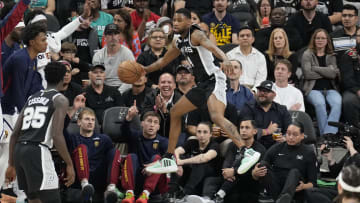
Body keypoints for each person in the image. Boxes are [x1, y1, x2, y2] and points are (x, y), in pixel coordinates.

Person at [144, 8, 248, 174]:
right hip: (201, 84)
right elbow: (162, 61)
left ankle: (245, 150)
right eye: (174, 20)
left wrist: (226, 58)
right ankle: (169, 158)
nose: (175, 23)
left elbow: (212, 47)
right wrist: (144, 70)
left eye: (179, 20)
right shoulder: (178, 41)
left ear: (189, 22)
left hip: (215, 79)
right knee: (176, 112)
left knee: (216, 116)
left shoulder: (196, 34)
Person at [5, 61, 75, 203]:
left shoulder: (32, 98)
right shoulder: (60, 99)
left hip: (19, 151)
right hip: (37, 151)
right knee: (52, 199)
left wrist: (11, 164)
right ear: (63, 79)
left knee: (35, 200)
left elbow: (14, 134)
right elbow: (56, 135)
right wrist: (69, 164)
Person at [191, 119, 266, 203]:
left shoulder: (259, 148)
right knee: (210, 180)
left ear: (255, 131)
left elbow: (251, 168)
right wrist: (225, 171)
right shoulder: (233, 145)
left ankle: (219, 196)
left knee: (239, 178)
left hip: (247, 178)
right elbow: (228, 160)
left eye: (247, 127)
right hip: (230, 177)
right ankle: (207, 200)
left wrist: (234, 171)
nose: (243, 130)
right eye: (241, 127)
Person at [64, 105, 121, 203]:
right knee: (82, 148)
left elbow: (113, 159)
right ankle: (85, 186)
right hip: (79, 178)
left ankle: (111, 188)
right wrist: (73, 110)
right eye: (87, 119)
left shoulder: (104, 139)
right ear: (79, 122)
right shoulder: (73, 138)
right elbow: (61, 129)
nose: (90, 122)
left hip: (99, 178)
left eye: (93, 120)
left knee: (115, 152)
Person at [257, 122, 318, 203]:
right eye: (288, 134)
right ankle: (281, 199)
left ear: (302, 136)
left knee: (294, 172)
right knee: (262, 165)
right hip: (276, 188)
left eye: (295, 134)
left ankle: (284, 199)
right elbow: (262, 166)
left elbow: (313, 183)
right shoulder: (277, 147)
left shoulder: (308, 152)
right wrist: (255, 172)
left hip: (295, 190)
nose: (291, 137)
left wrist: (304, 186)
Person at [120, 109, 169, 203]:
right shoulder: (135, 136)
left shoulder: (163, 141)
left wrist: (156, 165)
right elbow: (124, 131)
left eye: (155, 122)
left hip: (154, 182)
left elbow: (172, 160)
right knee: (131, 156)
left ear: (158, 127)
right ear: (142, 124)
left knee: (158, 159)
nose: (152, 125)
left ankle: (145, 195)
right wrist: (129, 117)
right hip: (136, 179)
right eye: (149, 121)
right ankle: (129, 194)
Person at [301, 28, 341, 137]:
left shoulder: (331, 55)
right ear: (313, 40)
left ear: (327, 40)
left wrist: (315, 68)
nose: (320, 40)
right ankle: (326, 136)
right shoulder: (307, 54)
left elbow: (334, 75)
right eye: (317, 38)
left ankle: (329, 134)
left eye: (323, 38)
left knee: (337, 103)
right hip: (313, 89)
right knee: (320, 104)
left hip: (330, 89)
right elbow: (307, 74)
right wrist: (327, 71)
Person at [2, 23, 47, 116]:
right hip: (6, 110)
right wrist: (25, 114)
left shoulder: (33, 58)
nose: (46, 43)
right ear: (32, 42)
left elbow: (34, 86)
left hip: (16, 108)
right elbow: (17, 90)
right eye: (43, 40)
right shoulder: (20, 59)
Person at [240, 80, 292, 149]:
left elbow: (289, 130)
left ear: (274, 95)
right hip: (253, 146)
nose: (262, 93)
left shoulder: (282, 110)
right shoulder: (248, 107)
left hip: (276, 147)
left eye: (266, 91)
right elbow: (245, 132)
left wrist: (284, 138)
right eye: (260, 90)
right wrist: (267, 131)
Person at [174, 122, 221, 198]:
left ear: (210, 134)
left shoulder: (214, 145)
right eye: (199, 132)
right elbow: (176, 151)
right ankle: (172, 191)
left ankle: (185, 193)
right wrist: (178, 163)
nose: (202, 135)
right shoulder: (192, 142)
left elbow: (204, 158)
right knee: (175, 160)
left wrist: (181, 162)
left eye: (205, 132)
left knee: (199, 164)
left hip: (210, 175)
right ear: (196, 133)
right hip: (193, 176)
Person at [92, 23, 135, 93]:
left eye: (115, 33)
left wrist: (118, 93)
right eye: (109, 34)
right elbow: (96, 77)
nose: (113, 37)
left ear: (119, 36)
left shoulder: (127, 53)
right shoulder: (98, 55)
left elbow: (131, 79)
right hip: (104, 88)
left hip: (123, 88)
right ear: (105, 37)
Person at [340, 27, 360, 128]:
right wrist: (357, 90)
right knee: (349, 101)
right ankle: (355, 130)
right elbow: (347, 78)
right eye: (359, 36)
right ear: (356, 38)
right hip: (352, 89)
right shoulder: (349, 54)